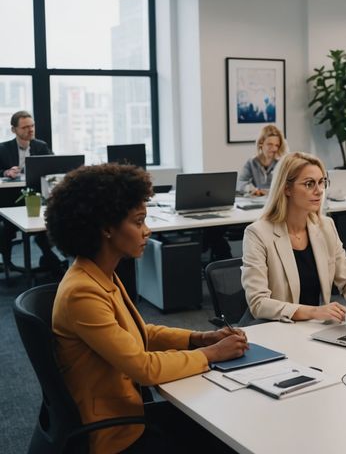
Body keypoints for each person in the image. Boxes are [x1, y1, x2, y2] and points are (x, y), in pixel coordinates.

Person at [48, 163, 248, 453]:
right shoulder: (82, 292)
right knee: (224, 436)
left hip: (130, 410)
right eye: (139, 221)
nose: (147, 230)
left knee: (224, 423)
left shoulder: (98, 272)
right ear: (105, 228)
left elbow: (136, 331)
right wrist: (212, 353)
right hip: (116, 431)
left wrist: (197, 339)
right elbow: (144, 368)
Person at [241, 152, 346, 324]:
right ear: (287, 189)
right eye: (309, 184)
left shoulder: (326, 226)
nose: (319, 191)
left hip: (311, 327)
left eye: (321, 182)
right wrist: (314, 311)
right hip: (274, 327)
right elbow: (258, 303)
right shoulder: (257, 233)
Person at [0, 111, 61, 271]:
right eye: (25, 127)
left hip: (36, 195)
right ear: (14, 130)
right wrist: (6, 172)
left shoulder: (41, 146)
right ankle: (7, 263)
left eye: (32, 126)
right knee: (7, 228)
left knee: (45, 224)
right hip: (10, 199)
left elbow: (54, 166)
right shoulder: (3, 148)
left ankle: (49, 257)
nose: (30, 130)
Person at [237, 124, 287, 196]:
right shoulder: (252, 162)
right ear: (261, 143)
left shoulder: (282, 163)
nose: (274, 149)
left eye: (277, 145)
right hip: (257, 202)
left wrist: (268, 192)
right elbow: (239, 184)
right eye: (270, 144)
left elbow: (288, 186)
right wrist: (251, 189)